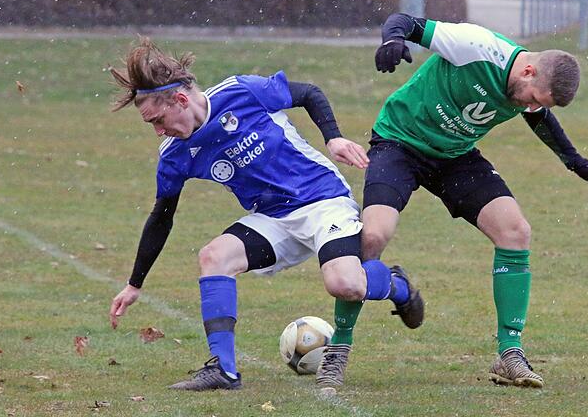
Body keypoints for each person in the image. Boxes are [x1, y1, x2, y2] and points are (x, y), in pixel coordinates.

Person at [107, 37, 424, 391]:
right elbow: (161, 217)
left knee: (345, 284)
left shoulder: (241, 92)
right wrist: (135, 283)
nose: (158, 131)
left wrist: (332, 138)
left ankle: (396, 285)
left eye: (158, 119)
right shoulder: (175, 154)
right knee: (214, 256)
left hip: (322, 200)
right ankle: (223, 370)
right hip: (272, 218)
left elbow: (309, 93)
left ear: (180, 99)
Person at [366, 13, 588, 388]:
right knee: (372, 237)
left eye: (538, 104)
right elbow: (405, 21)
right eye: (532, 98)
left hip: (454, 157)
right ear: (528, 71)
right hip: (400, 142)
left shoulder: (529, 92)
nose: (530, 107)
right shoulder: (474, 46)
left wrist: (573, 160)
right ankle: (342, 343)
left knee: (515, 231)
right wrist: (391, 40)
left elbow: (539, 117)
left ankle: (509, 354)